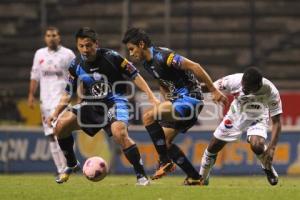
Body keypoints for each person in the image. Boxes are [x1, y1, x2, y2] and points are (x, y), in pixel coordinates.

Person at [47, 27, 160, 186]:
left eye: (88, 45)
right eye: (81, 46)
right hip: (91, 104)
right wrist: (55, 113)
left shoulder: (112, 57)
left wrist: (151, 96)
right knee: (60, 126)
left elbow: (135, 75)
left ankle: (141, 176)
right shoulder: (75, 64)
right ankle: (72, 164)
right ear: (77, 46)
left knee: (119, 133)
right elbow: (68, 92)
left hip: (115, 101)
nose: (85, 50)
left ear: (96, 44)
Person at [122, 27, 228, 185]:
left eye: (132, 49)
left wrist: (213, 90)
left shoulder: (164, 57)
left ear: (141, 44)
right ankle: (194, 177)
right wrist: (166, 101)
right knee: (164, 142)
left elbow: (195, 66)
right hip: (178, 102)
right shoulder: (146, 62)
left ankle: (164, 161)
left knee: (148, 116)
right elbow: (162, 82)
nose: (131, 53)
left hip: (191, 99)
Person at [199, 67, 282, 186]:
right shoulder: (234, 80)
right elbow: (210, 86)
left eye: (247, 88)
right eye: (243, 86)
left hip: (258, 116)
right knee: (213, 146)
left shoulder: (270, 90)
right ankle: (202, 179)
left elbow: (277, 121)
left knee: (257, 145)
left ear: (258, 85)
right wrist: (192, 88)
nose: (244, 89)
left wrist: (272, 148)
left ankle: (267, 167)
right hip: (236, 115)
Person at [28, 26, 75, 176]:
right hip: (45, 102)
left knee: (60, 132)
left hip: (61, 101)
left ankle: (68, 166)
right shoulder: (39, 54)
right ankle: (61, 169)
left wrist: (78, 94)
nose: (51, 38)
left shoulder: (68, 54)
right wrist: (31, 95)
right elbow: (35, 75)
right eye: (48, 35)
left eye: (54, 35)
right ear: (45, 38)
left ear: (59, 37)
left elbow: (77, 75)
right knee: (50, 135)